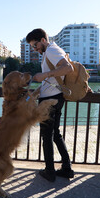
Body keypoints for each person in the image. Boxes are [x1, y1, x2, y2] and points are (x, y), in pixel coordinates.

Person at [26, 28, 75, 182]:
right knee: (55, 134)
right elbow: (51, 81)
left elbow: (68, 68)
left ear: (42, 40)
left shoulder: (52, 50)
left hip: (50, 101)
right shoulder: (49, 52)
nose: (35, 49)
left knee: (47, 136)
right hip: (54, 97)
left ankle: (50, 171)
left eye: (35, 45)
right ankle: (66, 168)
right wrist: (35, 93)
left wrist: (44, 75)